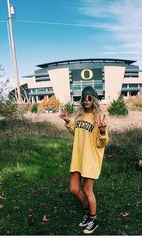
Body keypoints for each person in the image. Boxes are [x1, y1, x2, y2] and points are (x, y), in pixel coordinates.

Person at [59, 86, 109, 234]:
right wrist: (68, 121)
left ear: (94, 100)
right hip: (78, 157)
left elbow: (103, 142)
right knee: (74, 189)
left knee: (87, 190)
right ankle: (87, 211)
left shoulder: (98, 118)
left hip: (91, 159)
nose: (86, 100)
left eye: (89, 98)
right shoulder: (79, 117)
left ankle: (93, 219)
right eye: (84, 97)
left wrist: (101, 131)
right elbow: (77, 132)